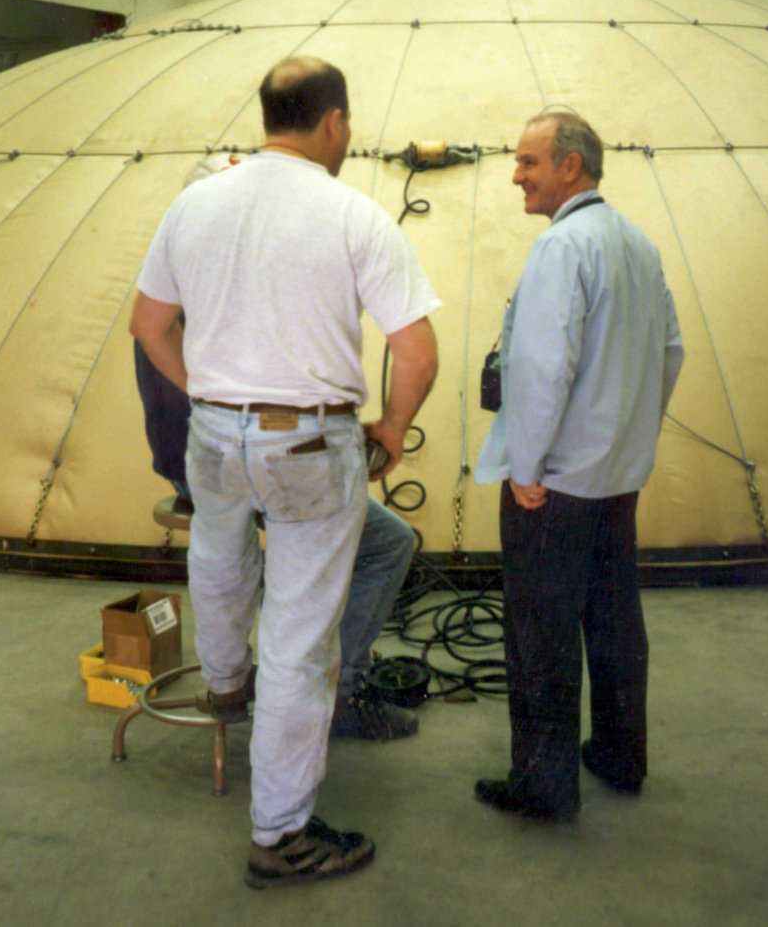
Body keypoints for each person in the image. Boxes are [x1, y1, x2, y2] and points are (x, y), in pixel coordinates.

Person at [130, 57, 439, 886]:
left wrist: (211, 394)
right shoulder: (352, 214)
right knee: (301, 642)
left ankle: (227, 687)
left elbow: (148, 323)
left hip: (215, 433)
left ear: (269, 114)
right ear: (333, 121)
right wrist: (393, 426)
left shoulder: (194, 205)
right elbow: (416, 349)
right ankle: (281, 833)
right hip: (308, 445)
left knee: (220, 555)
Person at [473, 107, 683, 821]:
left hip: (554, 483)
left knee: (540, 629)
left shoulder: (563, 249)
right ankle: (622, 755)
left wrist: (525, 465)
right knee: (616, 616)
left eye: (528, 162)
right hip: (615, 477)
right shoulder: (637, 243)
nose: (516, 175)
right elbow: (671, 351)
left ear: (571, 165)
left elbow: (540, 366)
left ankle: (543, 783)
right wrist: (630, 438)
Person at [134, 336, 424, 741]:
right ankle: (335, 695)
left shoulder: (180, 286)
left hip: (200, 458)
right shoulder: (229, 294)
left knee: (244, 561)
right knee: (384, 544)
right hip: (238, 458)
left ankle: (242, 680)